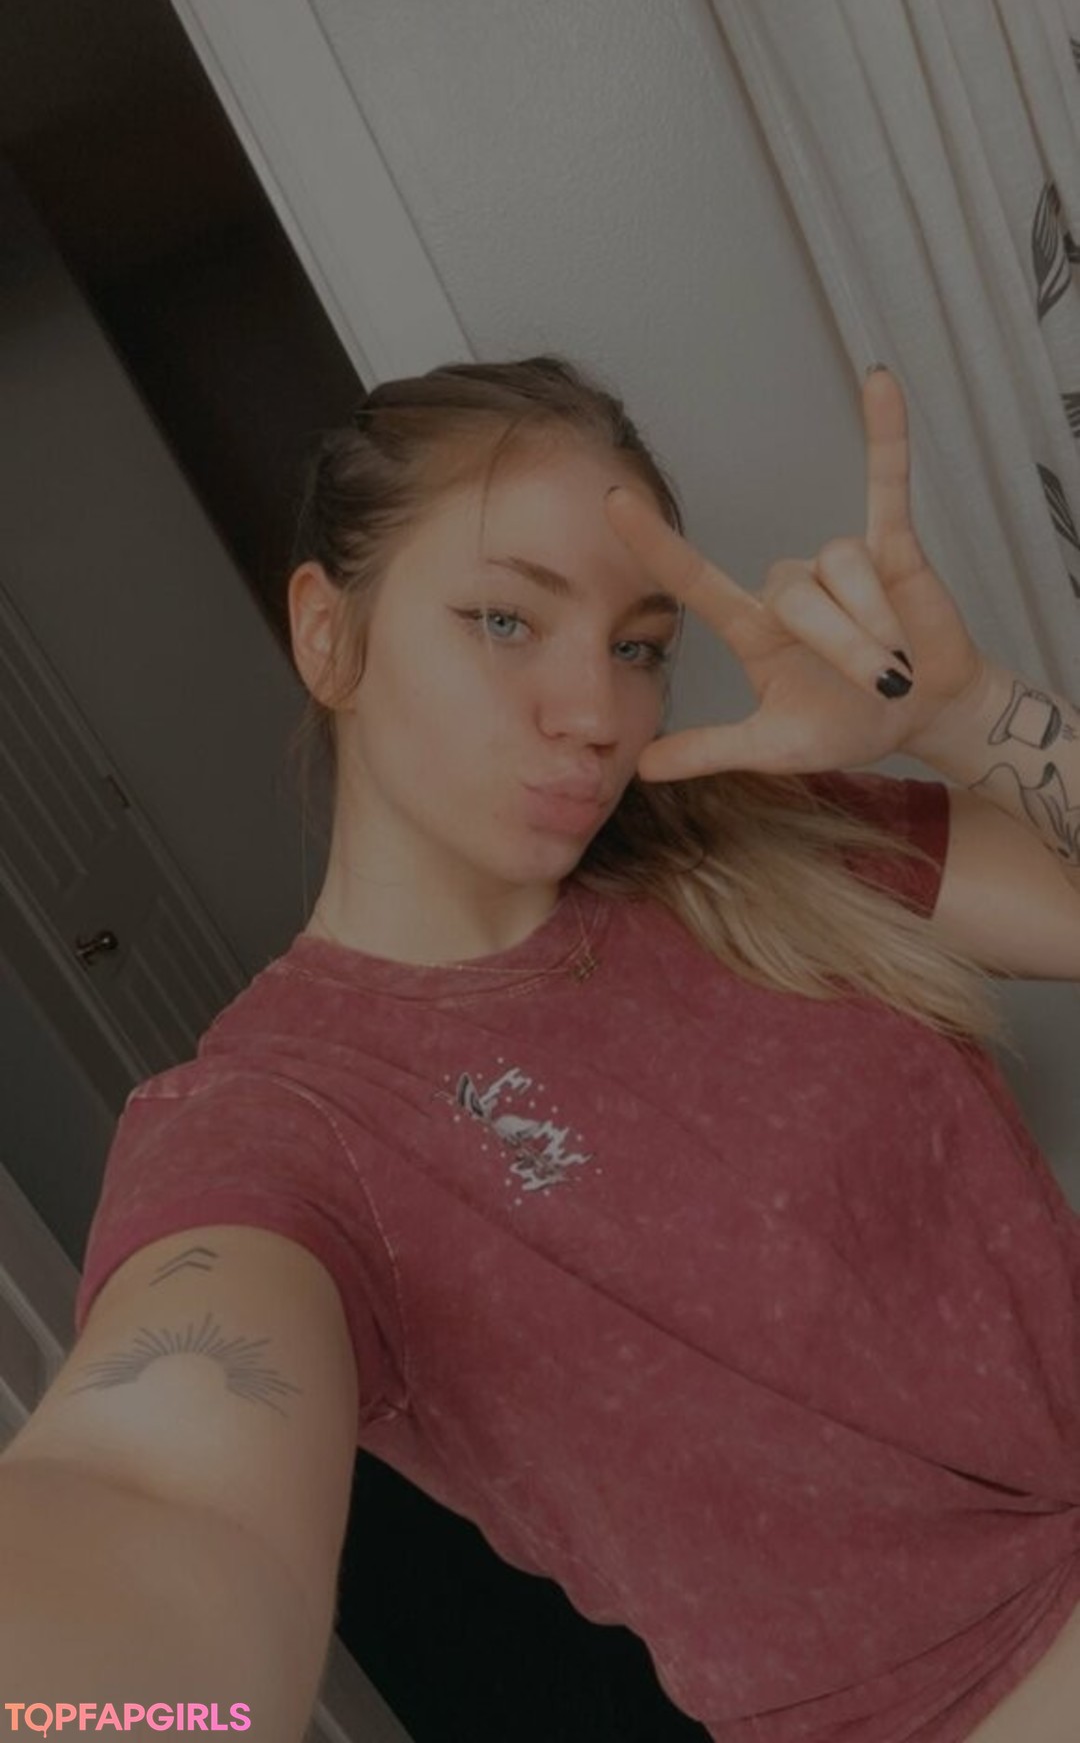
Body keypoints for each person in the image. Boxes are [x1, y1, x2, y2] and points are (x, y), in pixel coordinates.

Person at [1, 354, 1079, 1743]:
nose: (597, 712)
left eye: (638, 645)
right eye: (506, 620)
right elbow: (159, 1487)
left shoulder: (747, 841)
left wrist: (963, 714)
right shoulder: (275, 1121)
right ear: (329, 635)